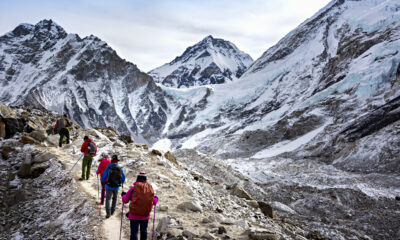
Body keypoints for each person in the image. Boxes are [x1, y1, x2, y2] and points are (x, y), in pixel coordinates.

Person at [122, 171, 158, 240]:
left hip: (133, 215)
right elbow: (154, 202)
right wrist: (156, 198)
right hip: (145, 215)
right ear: (145, 179)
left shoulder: (133, 188)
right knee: (144, 232)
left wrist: (123, 195)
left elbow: (125, 200)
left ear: (137, 178)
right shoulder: (149, 188)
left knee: (134, 233)